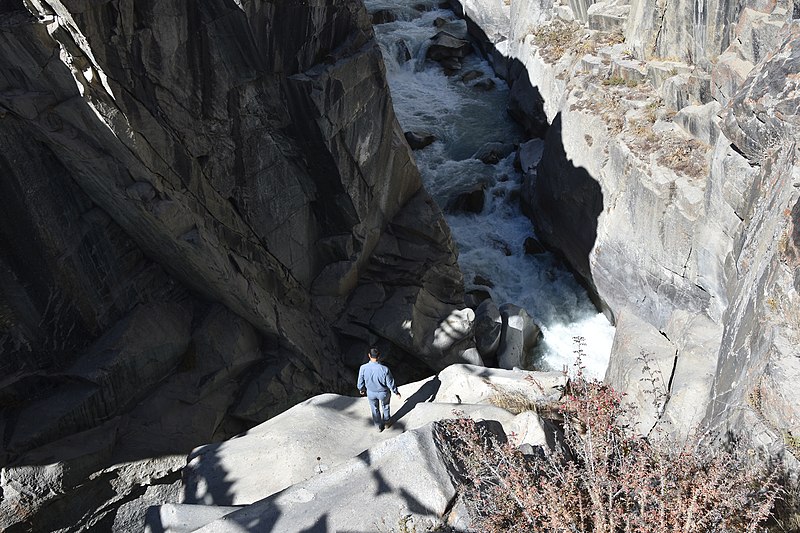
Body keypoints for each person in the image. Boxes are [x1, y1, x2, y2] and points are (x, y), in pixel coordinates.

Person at [357, 347, 401, 432]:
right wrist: (396, 392)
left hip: (370, 393)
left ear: (369, 355)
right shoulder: (385, 369)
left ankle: (378, 427)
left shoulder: (363, 368)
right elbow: (390, 383)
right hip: (383, 393)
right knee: (386, 406)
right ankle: (387, 422)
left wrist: (361, 389)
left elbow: (360, 381)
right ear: (379, 356)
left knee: (374, 408)